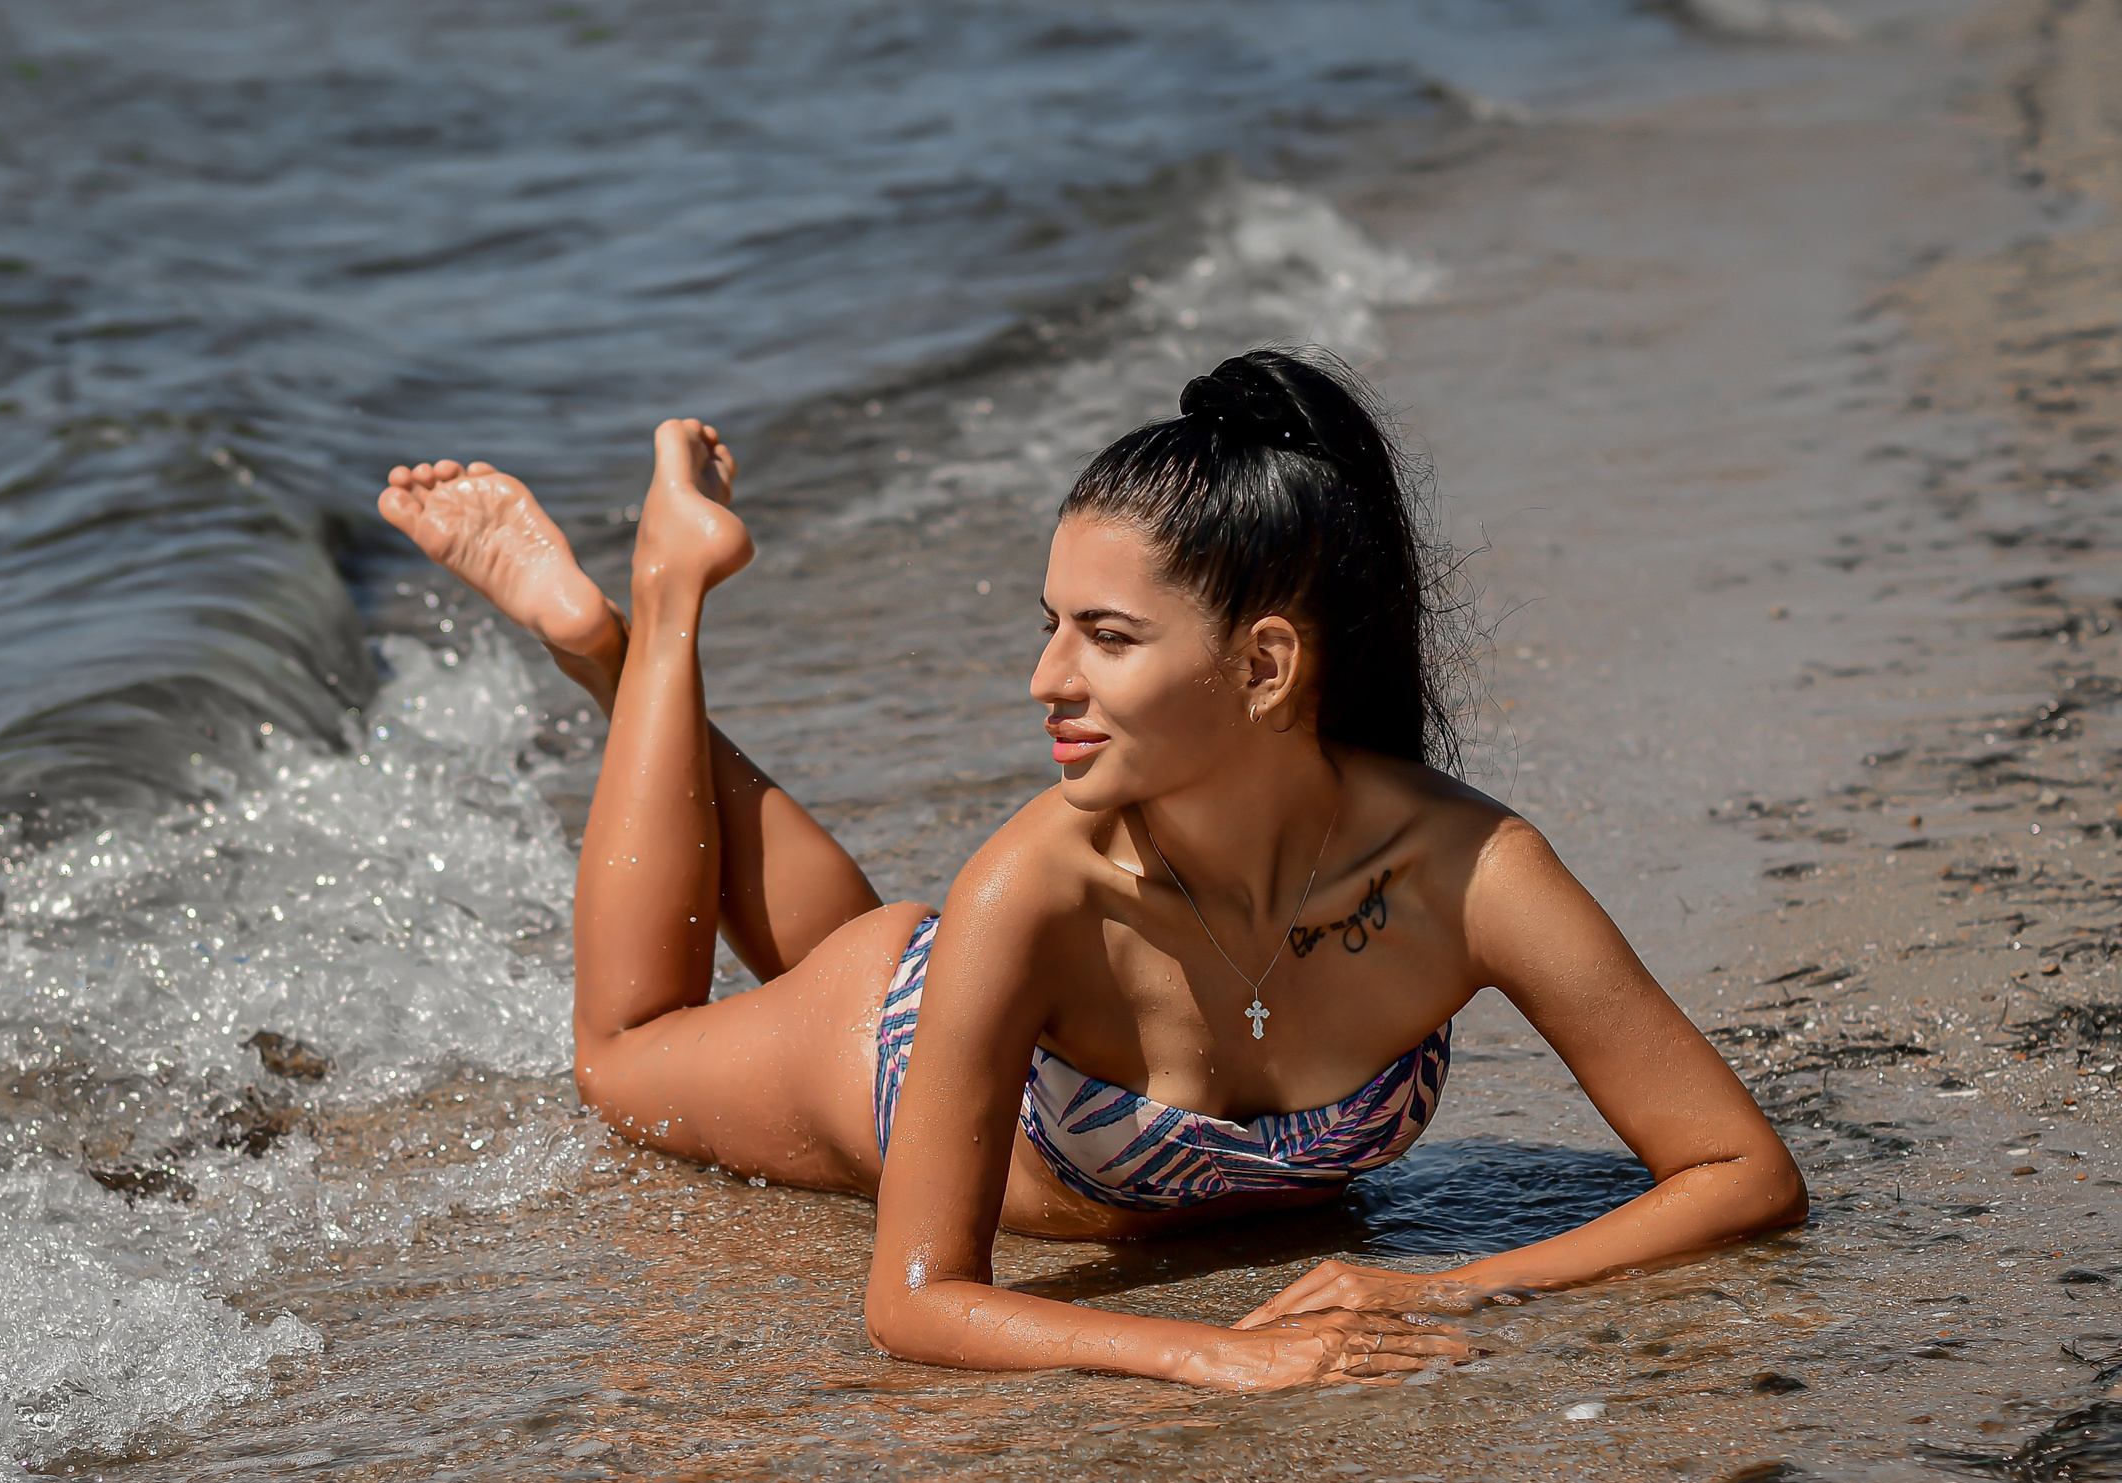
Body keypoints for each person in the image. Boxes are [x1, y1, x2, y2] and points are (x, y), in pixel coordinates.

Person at [375, 347, 1806, 1392]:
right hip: (885, 1040)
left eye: (1106, 638)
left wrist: (1445, 1283)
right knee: (627, 1058)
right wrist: (1223, 1360)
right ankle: (647, 619)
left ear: (1263, 665)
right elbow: (920, 1302)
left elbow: (1741, 1170)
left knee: (849, 926)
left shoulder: (1472, 873)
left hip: (1000, 997)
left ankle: (638, 662)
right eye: (1051, 623)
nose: (1044, 677)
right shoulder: (1033, 886)